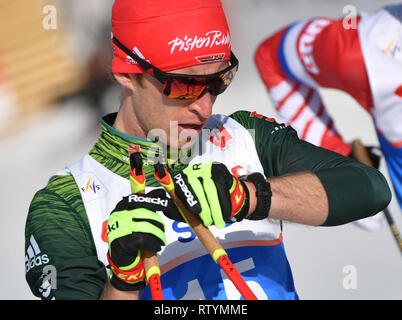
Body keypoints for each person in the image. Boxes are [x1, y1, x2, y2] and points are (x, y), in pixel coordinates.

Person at [25, 0, 391, 300]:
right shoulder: (65, 203)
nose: (204, 107)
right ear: (126, 73)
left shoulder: (244, 134)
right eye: (184, 86)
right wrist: (123, 280)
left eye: (218, 82)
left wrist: (251, 196)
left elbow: (369, 188)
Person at [254, 4, 402, 213]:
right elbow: (270, 57)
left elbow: (269, 56)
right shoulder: (358, 50)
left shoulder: (359, 47)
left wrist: (340, 163)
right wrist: (339, 159)